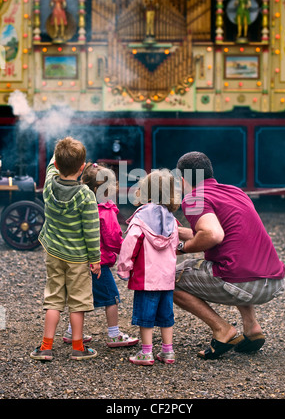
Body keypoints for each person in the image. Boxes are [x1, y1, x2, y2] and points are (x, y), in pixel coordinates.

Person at [174, 151, 285, 360]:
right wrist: (177, 231)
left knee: (169, 279)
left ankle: (222, 330)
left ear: (182, 179)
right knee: (236, 256)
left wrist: (181, 247)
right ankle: (252, 328)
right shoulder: (234, 191)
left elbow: (213, 234)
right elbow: (223, 233)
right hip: (273, 281)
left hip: (244, 284)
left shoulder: (194, 198)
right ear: (210, 173)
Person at [30, 137, 100, 361]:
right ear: (83, 167)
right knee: (77, 302)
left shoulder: (49, 185)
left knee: (53, 299)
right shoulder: (86, 195)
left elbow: (52, 167)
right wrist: (95, 258)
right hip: (78, 258)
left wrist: (57, 152)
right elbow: (91, 230)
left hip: (53, 254)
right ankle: (78, 348)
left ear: (57, 165)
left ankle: (45, 347)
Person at [63, 163, 138, 348]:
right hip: (99, 263)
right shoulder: (105, 212)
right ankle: (114, 334)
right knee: (111, 298)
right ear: (101, 189)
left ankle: (71, 332)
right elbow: (113, 239)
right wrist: (127, 251)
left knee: (81, 297)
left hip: (78, 261)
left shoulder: (78, 206)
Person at [117, 169, 180, 365]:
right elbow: (175, 247)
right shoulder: (172, 220)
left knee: (146, 317)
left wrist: (124, 269)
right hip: (167, 278)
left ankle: (146, 353)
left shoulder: (141, 218)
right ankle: (167, 351)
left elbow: (130, 244)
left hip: (146, 278)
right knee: (165, 316)